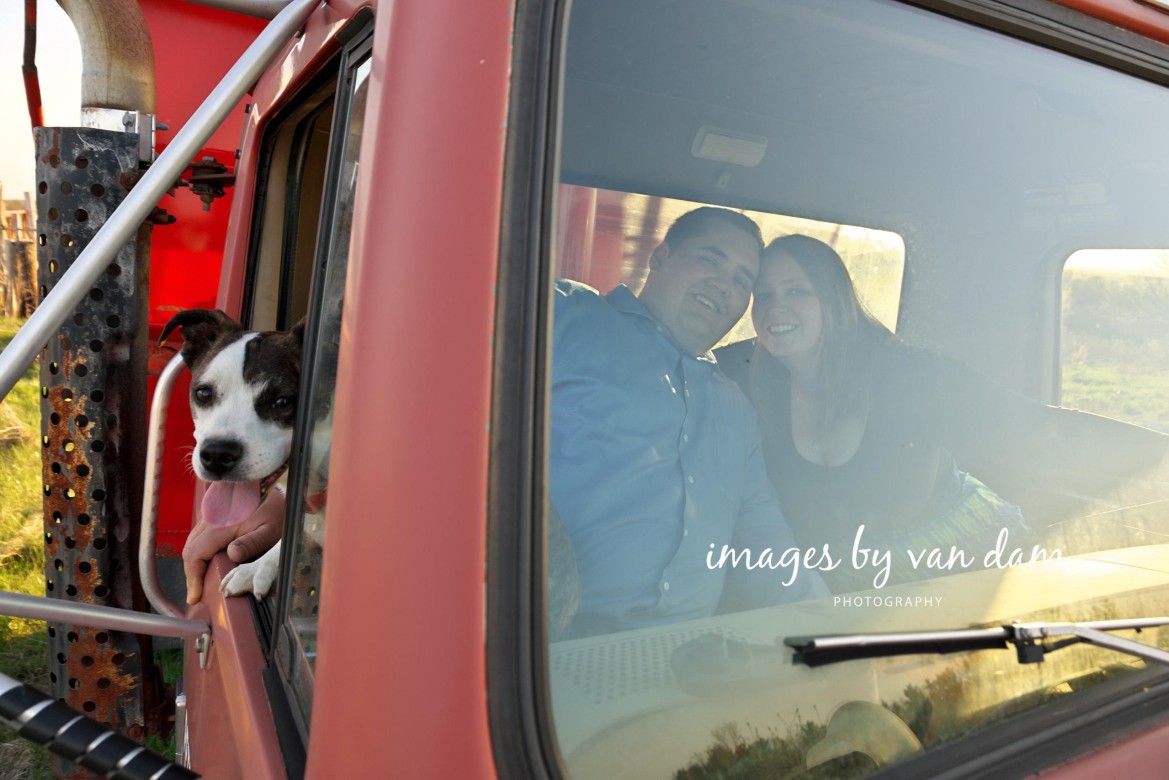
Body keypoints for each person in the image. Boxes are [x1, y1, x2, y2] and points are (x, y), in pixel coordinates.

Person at [716, 235, 1061, 592]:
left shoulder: (905, 371)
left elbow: (1034, 427)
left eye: (797, 291)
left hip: (973, 564)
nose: (775, 308)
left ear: (834, 300)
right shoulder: (744, 374)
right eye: (764, 294)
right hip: (852, 595)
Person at [551, 208, 824, 637]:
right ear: (660, 257)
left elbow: (764, 539)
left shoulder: (736, 411)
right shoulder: (563, 317)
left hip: (688, 656)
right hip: (545, 645)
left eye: (741, 280)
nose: (723, 284)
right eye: (710, 260)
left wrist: (828, 631)